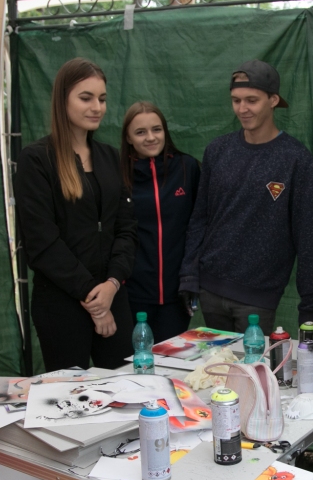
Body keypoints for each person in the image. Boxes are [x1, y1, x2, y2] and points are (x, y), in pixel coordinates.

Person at [179, 60, 313, 334]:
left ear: (273, 100)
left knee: (251, 362)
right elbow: (199, 218)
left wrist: (311, 305)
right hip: (210, 290)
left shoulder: (296, 159)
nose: (242, 109)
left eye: (251, 100)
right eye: (236, 100)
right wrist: (189, 274)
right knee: (217, 362)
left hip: (258, 299)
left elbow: (307, 237)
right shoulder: (217, 150)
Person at [15, 58, 137, 374]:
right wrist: (93, 300)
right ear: (63, 99)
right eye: (86, 98)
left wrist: (111, 285)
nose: (97, 107)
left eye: (102, 99)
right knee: (69, 396)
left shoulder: (111, 157)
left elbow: (126, 229)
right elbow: (41, 243)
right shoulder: (36, 160)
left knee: (126, 389)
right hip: (61, 305)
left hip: (113, 297)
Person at [121, 101, 201, 342]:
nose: (150, 137)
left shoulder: (187, 168)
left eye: (156, 129)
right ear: (128, 138)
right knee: (136, 359)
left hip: (177, 295)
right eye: (140, 132)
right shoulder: (118, 174)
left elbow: (200, 225)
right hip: (132, 294)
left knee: (170, 359)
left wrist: (191, 278)